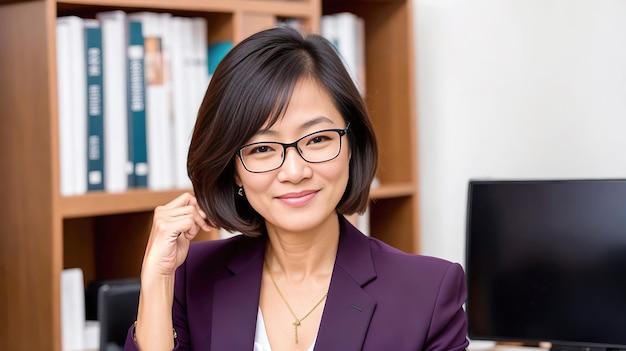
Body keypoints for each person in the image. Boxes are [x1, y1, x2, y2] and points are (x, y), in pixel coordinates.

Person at [124, 26, 469, 351]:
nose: (295, 171)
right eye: (262, 149)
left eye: (318, 139)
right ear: (233, 170)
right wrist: (157, 279)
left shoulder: (429, 292)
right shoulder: (189, 277)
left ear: (353, 144)